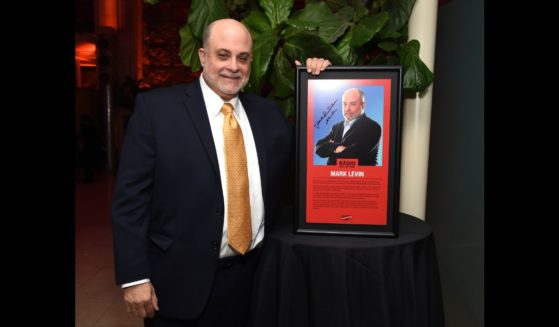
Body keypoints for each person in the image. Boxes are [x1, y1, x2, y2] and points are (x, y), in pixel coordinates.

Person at [111, 18, 331, 327]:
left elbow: (315, 154)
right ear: (203, 56)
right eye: (223, 55)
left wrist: (321, 86)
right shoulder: (156, 112)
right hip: (180, 285)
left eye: (243, 58)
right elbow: (130, 202)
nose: (233, 66)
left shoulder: (268, 115)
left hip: (255, 281)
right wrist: (134, 277)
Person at [315, 88, 382, 166]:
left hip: (361, 176)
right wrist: (337, 147)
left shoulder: (372, 127)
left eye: (352, 104)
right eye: (345, 104)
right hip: (333, 176)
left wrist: (329, 147)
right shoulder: (337, 126)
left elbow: (354, 154)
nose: (347, 109)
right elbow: (319, 147)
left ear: (363, 105)